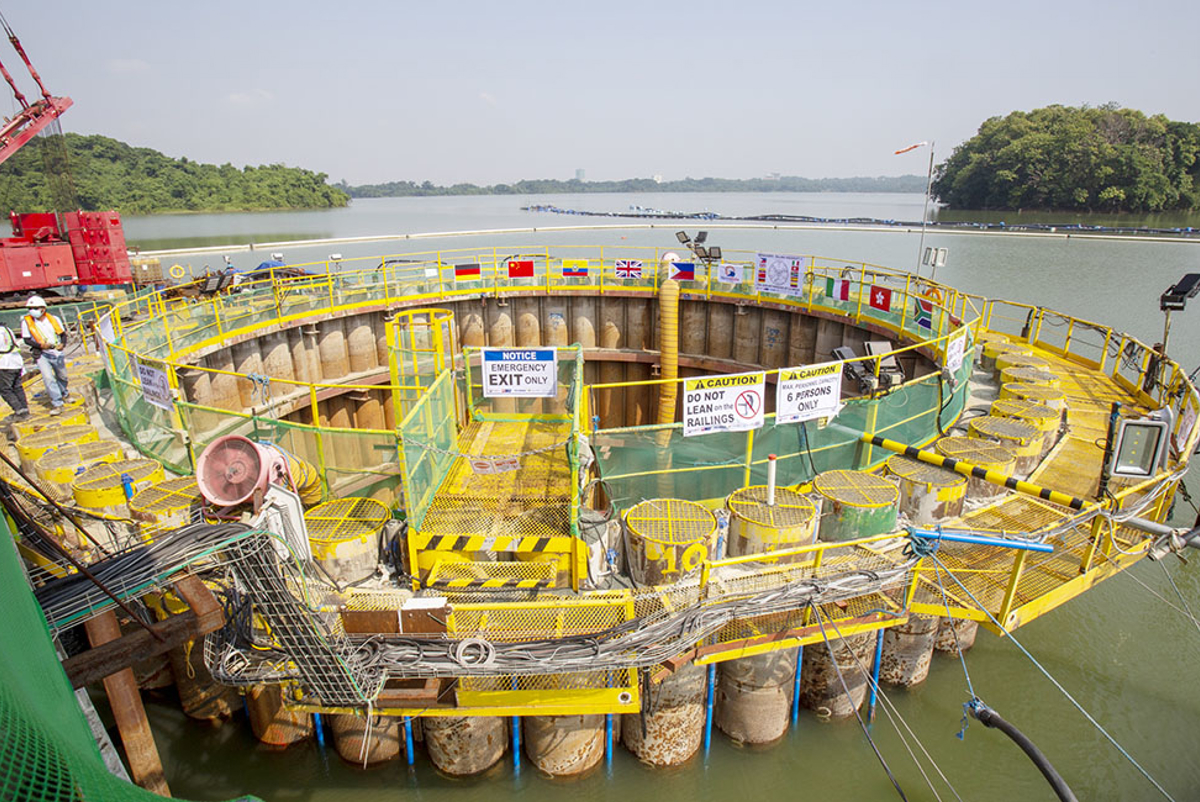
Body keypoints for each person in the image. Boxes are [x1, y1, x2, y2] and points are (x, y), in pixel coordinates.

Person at [20, 296, 69, 415]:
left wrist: (62, 344)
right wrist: (41, 346)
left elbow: (63, 334)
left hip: (56, 353)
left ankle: (64, 393)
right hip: (42, 354)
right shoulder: (27, 322)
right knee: (48, 378)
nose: (32, 310)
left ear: (43, 309)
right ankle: (57, 403)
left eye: (35, 308)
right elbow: (27, 339)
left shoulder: (53, 319)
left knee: (62, 376)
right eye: (30, 308)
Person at [0, 322, 28, 420]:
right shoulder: (6, 329)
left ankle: (19, 412)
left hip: (4, 364)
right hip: (16, 362)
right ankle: (25, 410)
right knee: (17, 387)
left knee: (5, 390)